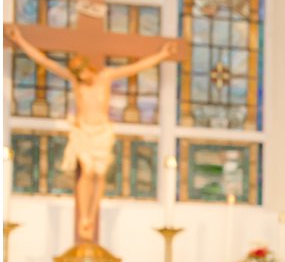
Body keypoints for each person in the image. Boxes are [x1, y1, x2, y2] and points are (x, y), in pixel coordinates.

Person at [3, 23, 179, 244]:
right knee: (86, 171)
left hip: (102, 132)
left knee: (99, 173)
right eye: (78, 76)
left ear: (89, 68)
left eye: (83, 73)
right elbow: (44, 61)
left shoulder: (106, 76)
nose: (82, 78)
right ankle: (83, 216)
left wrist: (162, 54)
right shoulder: (75, 81)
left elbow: (136, 68)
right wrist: (19, 40)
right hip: (83, 131)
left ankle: (92, 214)